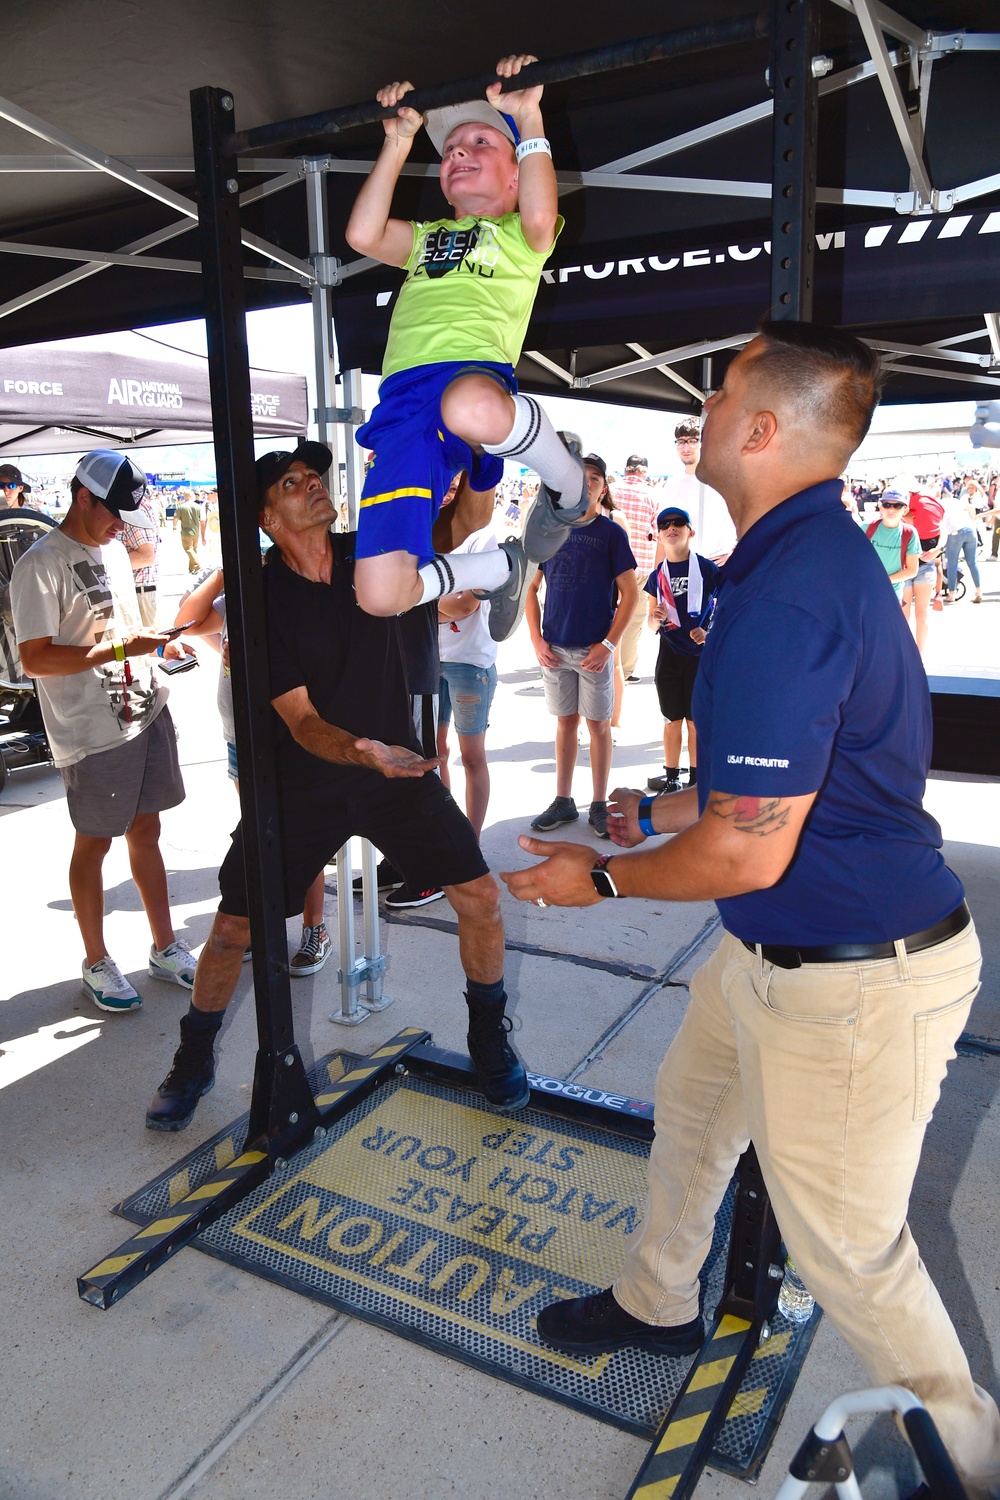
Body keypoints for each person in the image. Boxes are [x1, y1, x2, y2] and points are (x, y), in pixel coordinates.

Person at [499, 321, 1000, 1499]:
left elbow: (747, 854)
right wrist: (657, 814)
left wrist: (600, 880)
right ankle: (657, 1302)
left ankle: (969, 1466)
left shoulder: (792, 589)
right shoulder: (790, 559)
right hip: (774, 957)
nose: (704, 416)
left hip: (850, 976)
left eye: (719, 397)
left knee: (851, 1258)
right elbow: (762, 797)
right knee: (692, 1116)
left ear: (762, 430)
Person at [145, 441, 528, 1131]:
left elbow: (464, 521)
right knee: (234, 930)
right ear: (266, 516)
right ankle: (192, 1058)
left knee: (481, 899)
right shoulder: (260, 600)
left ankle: (489, 1038)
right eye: (293, 482)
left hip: (398, 774)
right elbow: (299, 720)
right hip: (305, 781)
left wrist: (482, 453)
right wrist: (360, 751)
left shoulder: (371, 558)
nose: (313, 485)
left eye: (315, 476)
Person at [343, 54, 589, 637]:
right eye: (450, 149)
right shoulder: (427, 238)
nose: (458, 151)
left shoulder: (521, 236)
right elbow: (361, 234)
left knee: (469, 406)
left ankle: (570, 486)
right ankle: (502, 567)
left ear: (514, 175)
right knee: (380, 594)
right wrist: (399, 143)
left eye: (480, 141)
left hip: (472, 385)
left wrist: (529, 119)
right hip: (404, 407)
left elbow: (539, 209)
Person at [10, 449, 197, 1012]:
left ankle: (165, 946)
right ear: (82, 496)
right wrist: (122, 647)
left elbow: (125, 625)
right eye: (113, 511)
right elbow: (37, 660)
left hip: (143, 709)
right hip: (89, 731)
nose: (120, 524)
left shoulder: (112, 549)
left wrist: (161, 641)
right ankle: (95, 959)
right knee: (93, 843)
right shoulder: (39, 564)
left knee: (147, 831)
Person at [170, 567, 332, 976]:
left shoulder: (285, 596)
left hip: (284, 739)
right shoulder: (236, 596)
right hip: (240, 738)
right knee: (259, 833)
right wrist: (225, 571)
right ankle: (261, 924)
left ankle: (316, 928)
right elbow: (183, 623)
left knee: (302, 833)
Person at [525, 452, 637, 840]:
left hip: (593, 651)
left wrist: (608, 644)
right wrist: (537, 639)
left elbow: (630, 595)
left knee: (598, 726)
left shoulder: (611, 533)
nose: (587, 484)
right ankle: (563, 800)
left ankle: (598, 803)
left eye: (594, 479)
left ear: (604, 488)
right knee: (565, 724)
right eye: (581, 477)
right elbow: (531, 588)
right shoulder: (551, 529)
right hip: (554, 649)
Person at [644, 507, 720, 794]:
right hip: (669, 654)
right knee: (671, 720)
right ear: (659, 536)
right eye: (665, 525)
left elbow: (726, 608)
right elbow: (650, 623)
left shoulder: (708, 570)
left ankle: (697, 779)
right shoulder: (657, 576)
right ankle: (672, 776)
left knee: (696, 722)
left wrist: (709, 633)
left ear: (691, 531)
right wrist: (657, 617)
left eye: (678, 523)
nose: (671, 528)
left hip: (700, 657)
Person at [436, 508, 501, 840]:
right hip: (428, 659)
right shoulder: (422, 525)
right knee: (434, 755)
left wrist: (421, 602)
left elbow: (467, 605)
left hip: (470, 662)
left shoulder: (482, 534)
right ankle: (447, 838)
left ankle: (470, 847)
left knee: (472, 756)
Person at [660, 418, 737, 565]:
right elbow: (664, 529)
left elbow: (743, 516)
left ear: (703, 443)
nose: (686, 448)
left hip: (719, 562)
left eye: (693, 440)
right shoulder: (671, 484)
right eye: (681, 441)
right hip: (683, 562)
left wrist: (734, 550)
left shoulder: (722, 480)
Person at [610, 454, 659, 683]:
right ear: (644, 472)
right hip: (640, 566)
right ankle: (625, 670)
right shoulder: (652, 495)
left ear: (626, 469)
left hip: (609, 564)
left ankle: (603, 663)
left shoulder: (611, 489)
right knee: (633, 619)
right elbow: (656, 533)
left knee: (606, 613)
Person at [865, 487, 920, 599]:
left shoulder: (909, 533)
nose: (891, 509)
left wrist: (883, 581)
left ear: (905, 510)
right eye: (887, 505)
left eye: (897, 506)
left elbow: (912, 570)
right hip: (865, 591)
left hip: (892, 595)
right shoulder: (866, 528)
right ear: (881, 507)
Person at [119, 492, 161, 628]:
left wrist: (104, 563)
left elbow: (145, 556)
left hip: (138, 593)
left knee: (148, 645)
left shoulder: (132, 507)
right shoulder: (130, 505)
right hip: (135, 592)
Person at [941, 483, 984, 604]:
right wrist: (973, 519)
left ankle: (951, 593)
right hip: (970, 529)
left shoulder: (941, 505)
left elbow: (941, 526)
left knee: (952, 563)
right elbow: (970, 508)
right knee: (972, 562)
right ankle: (979, 591)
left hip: (955, 531)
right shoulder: (956, 501)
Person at [173, 488, 202, 574]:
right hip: (196, 531)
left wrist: (174, 526)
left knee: (188, 549)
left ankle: (197, 565)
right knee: (194, 549)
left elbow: (175, 518)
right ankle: (192, 568)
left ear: (184, 496)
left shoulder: (181, 507)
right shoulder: (197, 506)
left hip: (186, 532)